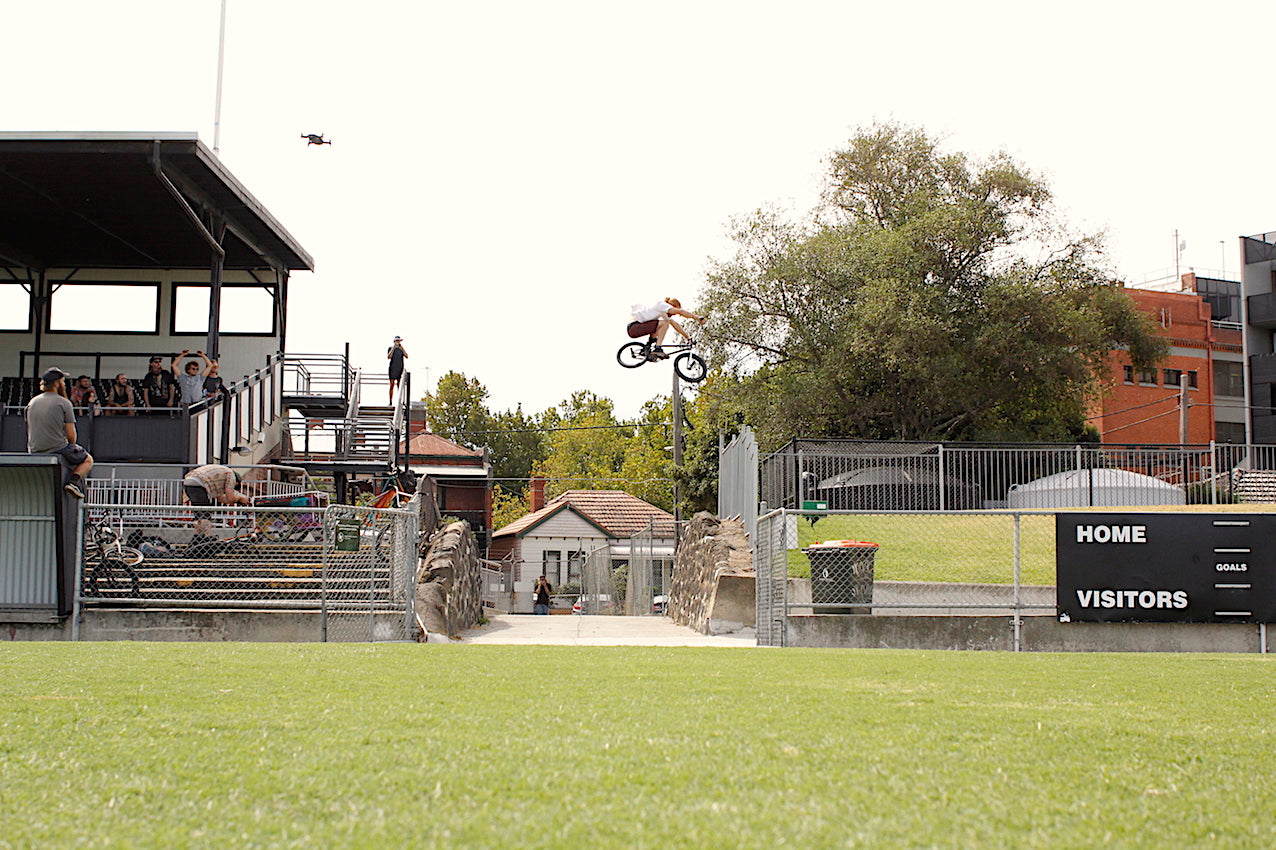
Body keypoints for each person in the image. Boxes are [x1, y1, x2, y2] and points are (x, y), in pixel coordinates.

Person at [25, 367, 94, 499]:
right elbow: (72, 437)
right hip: (57, 448)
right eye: (62, 381)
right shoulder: (64, 403)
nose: (64, 384)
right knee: (88, 459)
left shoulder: (32, 402)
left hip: (34, 450)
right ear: (56, 383)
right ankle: (73, 482)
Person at [627, 298, 705, 359]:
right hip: (634, 327)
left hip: (638, 327)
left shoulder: (663, 313)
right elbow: (680, 312)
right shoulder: (662, 305)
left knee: (661, 324)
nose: (673, 315)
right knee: (664, 324)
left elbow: (675, 324)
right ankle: (658, 348)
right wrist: (696, 317)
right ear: (672, 306)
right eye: (674, 313)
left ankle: (647, 348)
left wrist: (687, 337)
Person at [182, 463, 251, 507]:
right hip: (200, 482)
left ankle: (199, 527)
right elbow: (230, 498)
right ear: (236, 482)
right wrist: (240, 498)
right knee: (204, 513)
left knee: (198, 510)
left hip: (188, 481)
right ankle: (204, 527)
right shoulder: (230, 474)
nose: (233, 487)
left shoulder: (220, 477)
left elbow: (220, 498)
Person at [387, 336, 408, 403]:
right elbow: (389, 356)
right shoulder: (390, 348)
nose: (398, 342)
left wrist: (402, 348)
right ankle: (390, 400)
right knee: (392, 384)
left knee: (399, 384)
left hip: (400, 368)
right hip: (392, 368)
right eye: (397, 341)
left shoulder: (401, 349)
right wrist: (393, 348)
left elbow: (407, 356)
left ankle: (400, 400)